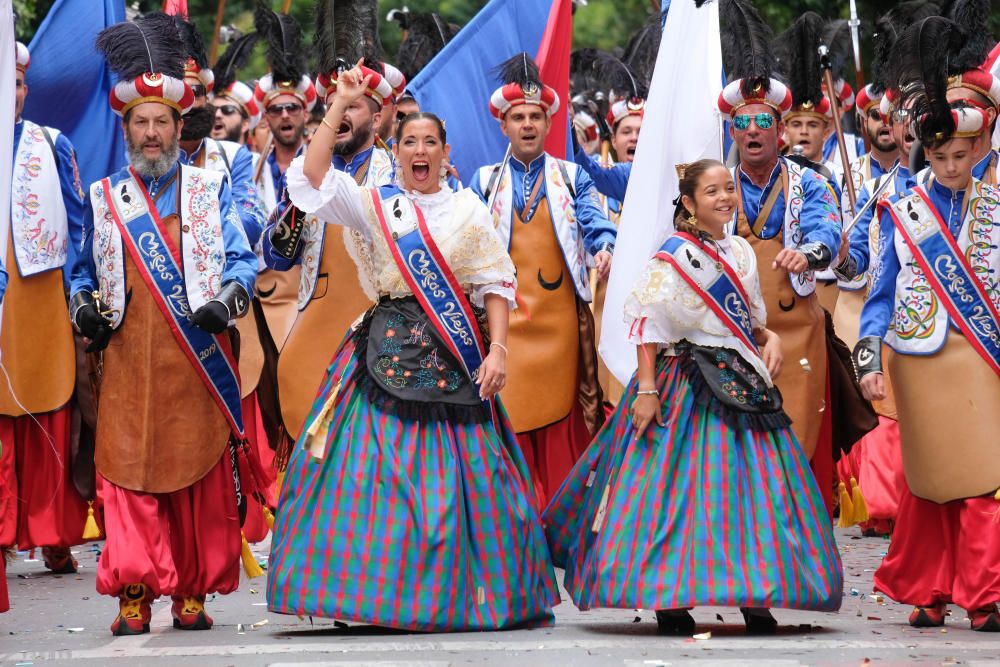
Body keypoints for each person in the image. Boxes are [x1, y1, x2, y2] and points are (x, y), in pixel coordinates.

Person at [266, 62, 558, 631]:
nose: (419, 152)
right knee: (366, 476)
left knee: (468, 480)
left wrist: (498, 350)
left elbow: (494, 283)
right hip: (381, 351)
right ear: (394, 150)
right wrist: (340, 103)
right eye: (409, 142)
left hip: (456, 352)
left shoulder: (468, 210)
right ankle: (369, 596)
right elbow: (307, 181)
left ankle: (464, 595)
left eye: (430, 143)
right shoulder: (371, 203)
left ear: (446, 153)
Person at [544, 160, 842, 635]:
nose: (725, 198)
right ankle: (669, 597)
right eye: (712, 192)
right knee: (672, 492)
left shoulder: (742, 251)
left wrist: (770, 338)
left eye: (729, 189)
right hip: (683, 380)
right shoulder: (673, 254)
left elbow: (747, 320)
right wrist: (645, 390)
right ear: (689, 203)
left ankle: (755, 594)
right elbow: (647, 325)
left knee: (753, 493)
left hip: (741, 379)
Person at [71, 13, 259, 635]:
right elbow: (80, 275)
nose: (151, 134)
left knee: (195, 476)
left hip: (193, 361)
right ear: (126, 131)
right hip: (125, 362)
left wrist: (225, 303)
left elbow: (242, 261)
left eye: (162, 123)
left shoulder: (211, 190)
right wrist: (83, 307)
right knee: (127, 473)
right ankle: (134, 590)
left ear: (182, 129)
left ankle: (192, 591)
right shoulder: (105, 198)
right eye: (140, 123)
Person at [856, 18, 1000, 632]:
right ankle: (929, 589)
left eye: (960, 155)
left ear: (981, 147)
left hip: (983, 355)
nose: (947, 165)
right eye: (937, 155)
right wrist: (866, 353)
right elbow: (881, 288)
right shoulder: (901, 203)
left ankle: (986, 593)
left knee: (986, 478)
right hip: (917, 358)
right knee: (930, 479)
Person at [469, 53, 617, 507]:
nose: (528, 124)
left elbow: (595, 220)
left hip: (559, 326)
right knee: (507, 416)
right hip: (504, 326)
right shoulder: (484, 181)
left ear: (549, 123)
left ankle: (560, 514)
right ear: (504, 125)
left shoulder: (572, 177)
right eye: (519, 117)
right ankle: (513, 518)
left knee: (561, 421)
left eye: (536, 116)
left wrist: (604, 246)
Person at [262, 7, 396, 459]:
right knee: (308, 435)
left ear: (376, 118)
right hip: (315, 326)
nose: (338, 115)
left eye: (352, 105)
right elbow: (277, 255)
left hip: (381, 329)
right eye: (331, 105)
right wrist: (294, 216)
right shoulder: (304, 175)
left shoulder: (395, 177)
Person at [718, 71, 844, 511]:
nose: (752, 130)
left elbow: (827, 227)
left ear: (781, 131)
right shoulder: (717, 186)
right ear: (732, 131)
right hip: (736, 339)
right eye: (743, 122)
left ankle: (799, 547)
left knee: (799, 438)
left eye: (763, 121)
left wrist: (809, 253)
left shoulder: (809, 182)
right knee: (739, 446)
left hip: (796, 333)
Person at [0, 41, 89, 575]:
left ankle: (54, 530)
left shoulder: (52, 143)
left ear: (25, 89)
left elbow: (79, 224)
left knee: (49, 407)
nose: (8, 92)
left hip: (40, 294)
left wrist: (81, 292)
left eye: (14, 83)